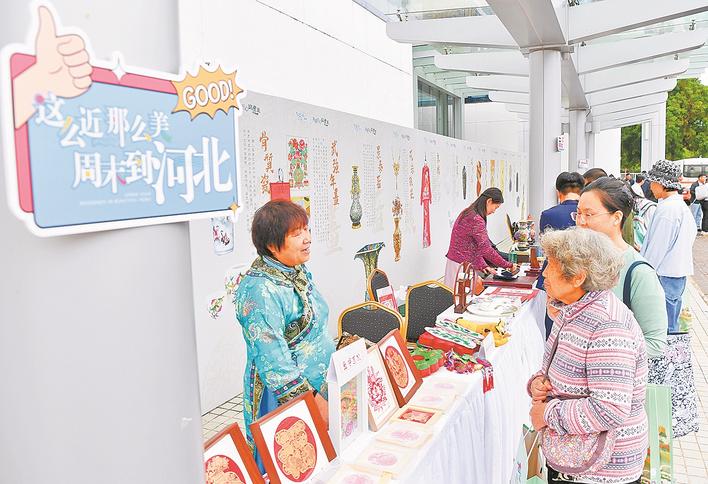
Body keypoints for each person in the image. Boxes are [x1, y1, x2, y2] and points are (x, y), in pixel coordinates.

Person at [529, 228, 647, 484]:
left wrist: (547, 413)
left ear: (578, 277)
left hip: (602, 470)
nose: (544, 273)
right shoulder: (573, 309)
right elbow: (560, 366)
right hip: (578, 455)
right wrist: (539, 382)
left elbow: (610, 409)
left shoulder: (608, 326)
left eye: (551, 265)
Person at [234, 200, 335, 461]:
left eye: (306, 230)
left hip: (321, 385)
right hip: (286, 396)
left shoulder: (294, 269)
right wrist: (312, 403)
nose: (307, 238)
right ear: (271, 244)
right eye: (296, 234)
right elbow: (274, 361)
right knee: (293, 460)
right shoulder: (259, 290)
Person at [575, 177, 666, 360]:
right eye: (578, 213)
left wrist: (599, 352)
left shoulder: (639, 272)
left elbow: (655, 344)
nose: (581, 221)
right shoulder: (576, 260)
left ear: (616, 217)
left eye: (589, 214)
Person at [641, 160, 697, 333]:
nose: (651, 186)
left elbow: (657, 247)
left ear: (662, 183)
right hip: (675, 272)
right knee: (671, 320)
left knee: (664, 325)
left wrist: (644, 271)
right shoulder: (678, 206)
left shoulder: (668, 210)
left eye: (653, 182)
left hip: (664, 273)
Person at [536, 171, 584, 338]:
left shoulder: (548, 214)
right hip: (581, 278)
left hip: (555, 278)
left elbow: (545, 248)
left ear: (558, 192)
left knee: (553, 323)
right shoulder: (588, 214)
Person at [444, 187, 518, 288]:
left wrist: (483, 265)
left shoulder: (468, 212)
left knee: (457, 295)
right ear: (489, 201)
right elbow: (486, 249)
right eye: (496, 207)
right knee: (459, 296)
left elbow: (473, 246)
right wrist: (508, 265)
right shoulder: (476, 219)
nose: (494, 211)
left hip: (458, 263)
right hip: (460, 267)